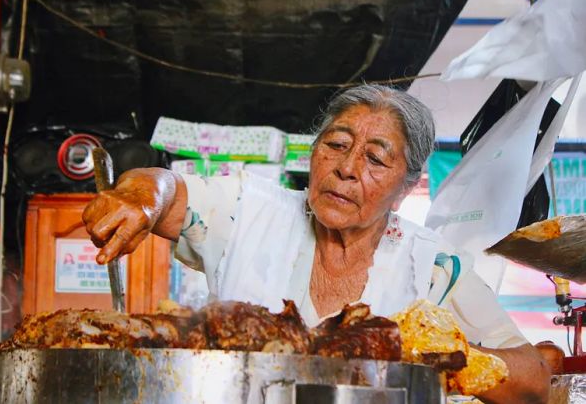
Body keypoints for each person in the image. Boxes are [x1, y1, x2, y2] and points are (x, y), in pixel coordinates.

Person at [83, 84, 550, 404]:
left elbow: (533, 381)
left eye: (375, 159)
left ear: (407, 187)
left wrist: (449, 356)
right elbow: (164, 186)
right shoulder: (249, 210)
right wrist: (139, 200)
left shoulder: (431, 268)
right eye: (336, 144)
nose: (347, 168)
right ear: (314, 151)